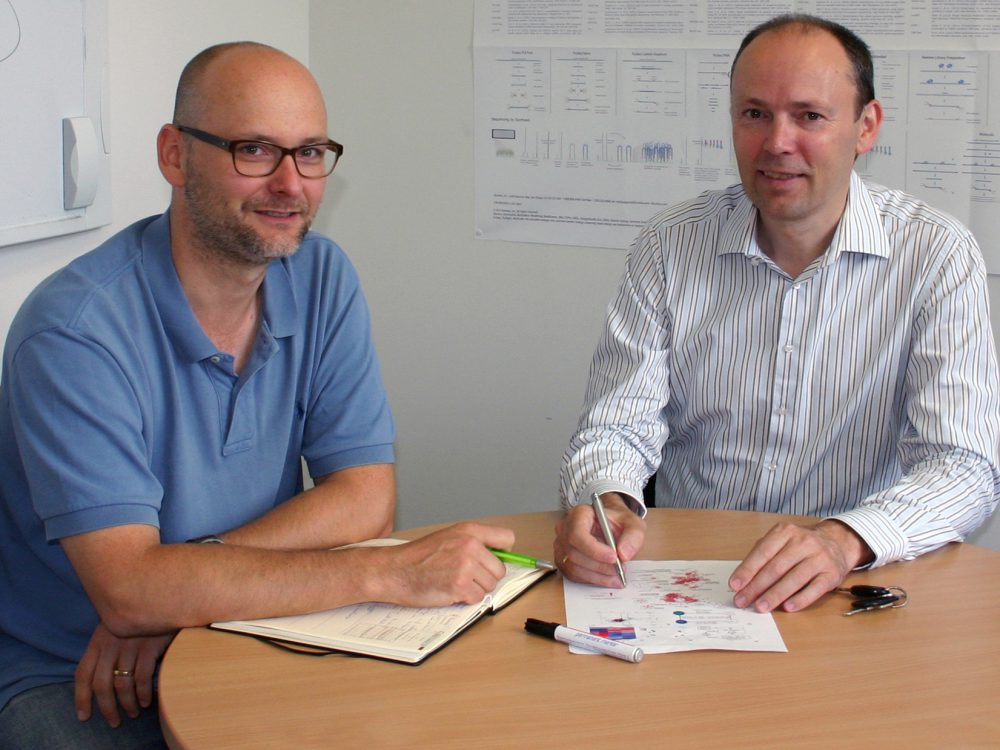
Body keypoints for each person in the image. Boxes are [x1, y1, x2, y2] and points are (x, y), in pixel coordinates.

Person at [0, 42, 514, 747]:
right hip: (83, 674)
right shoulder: (74, 332)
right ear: (174, 155)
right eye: (254, 150)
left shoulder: (323, 275)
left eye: (310, 153)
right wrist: (385, 571)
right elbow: (124, 591)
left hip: (238, 628)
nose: (290, 182)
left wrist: (184, 599)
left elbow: (366, 494)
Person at [555, 15, 1000, 616]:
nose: (776, 142)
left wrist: (843, 541)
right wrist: (607, 503)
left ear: (865, 127)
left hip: (849, 589)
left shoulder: (936, 255)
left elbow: (964, 466)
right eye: (754, 113)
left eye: (809, 116)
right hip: (692, 584)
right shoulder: (670, 245)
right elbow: (615, 426)